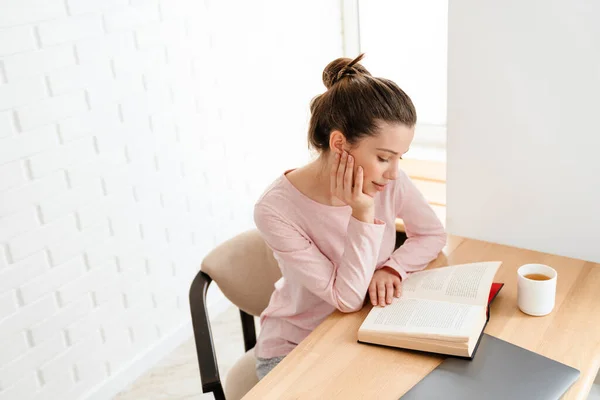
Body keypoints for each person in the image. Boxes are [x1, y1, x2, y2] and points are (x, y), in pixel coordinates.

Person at [253, 54, 446, 380]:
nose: (394, 172)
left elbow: (431, 234)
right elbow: (346, 299)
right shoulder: (276, 210)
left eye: (400, 157)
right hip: (297, 349)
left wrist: (391, 267)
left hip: (366, 332)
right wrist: (362, 214)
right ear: (339, 144)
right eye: (384, 157)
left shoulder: (390, 180)